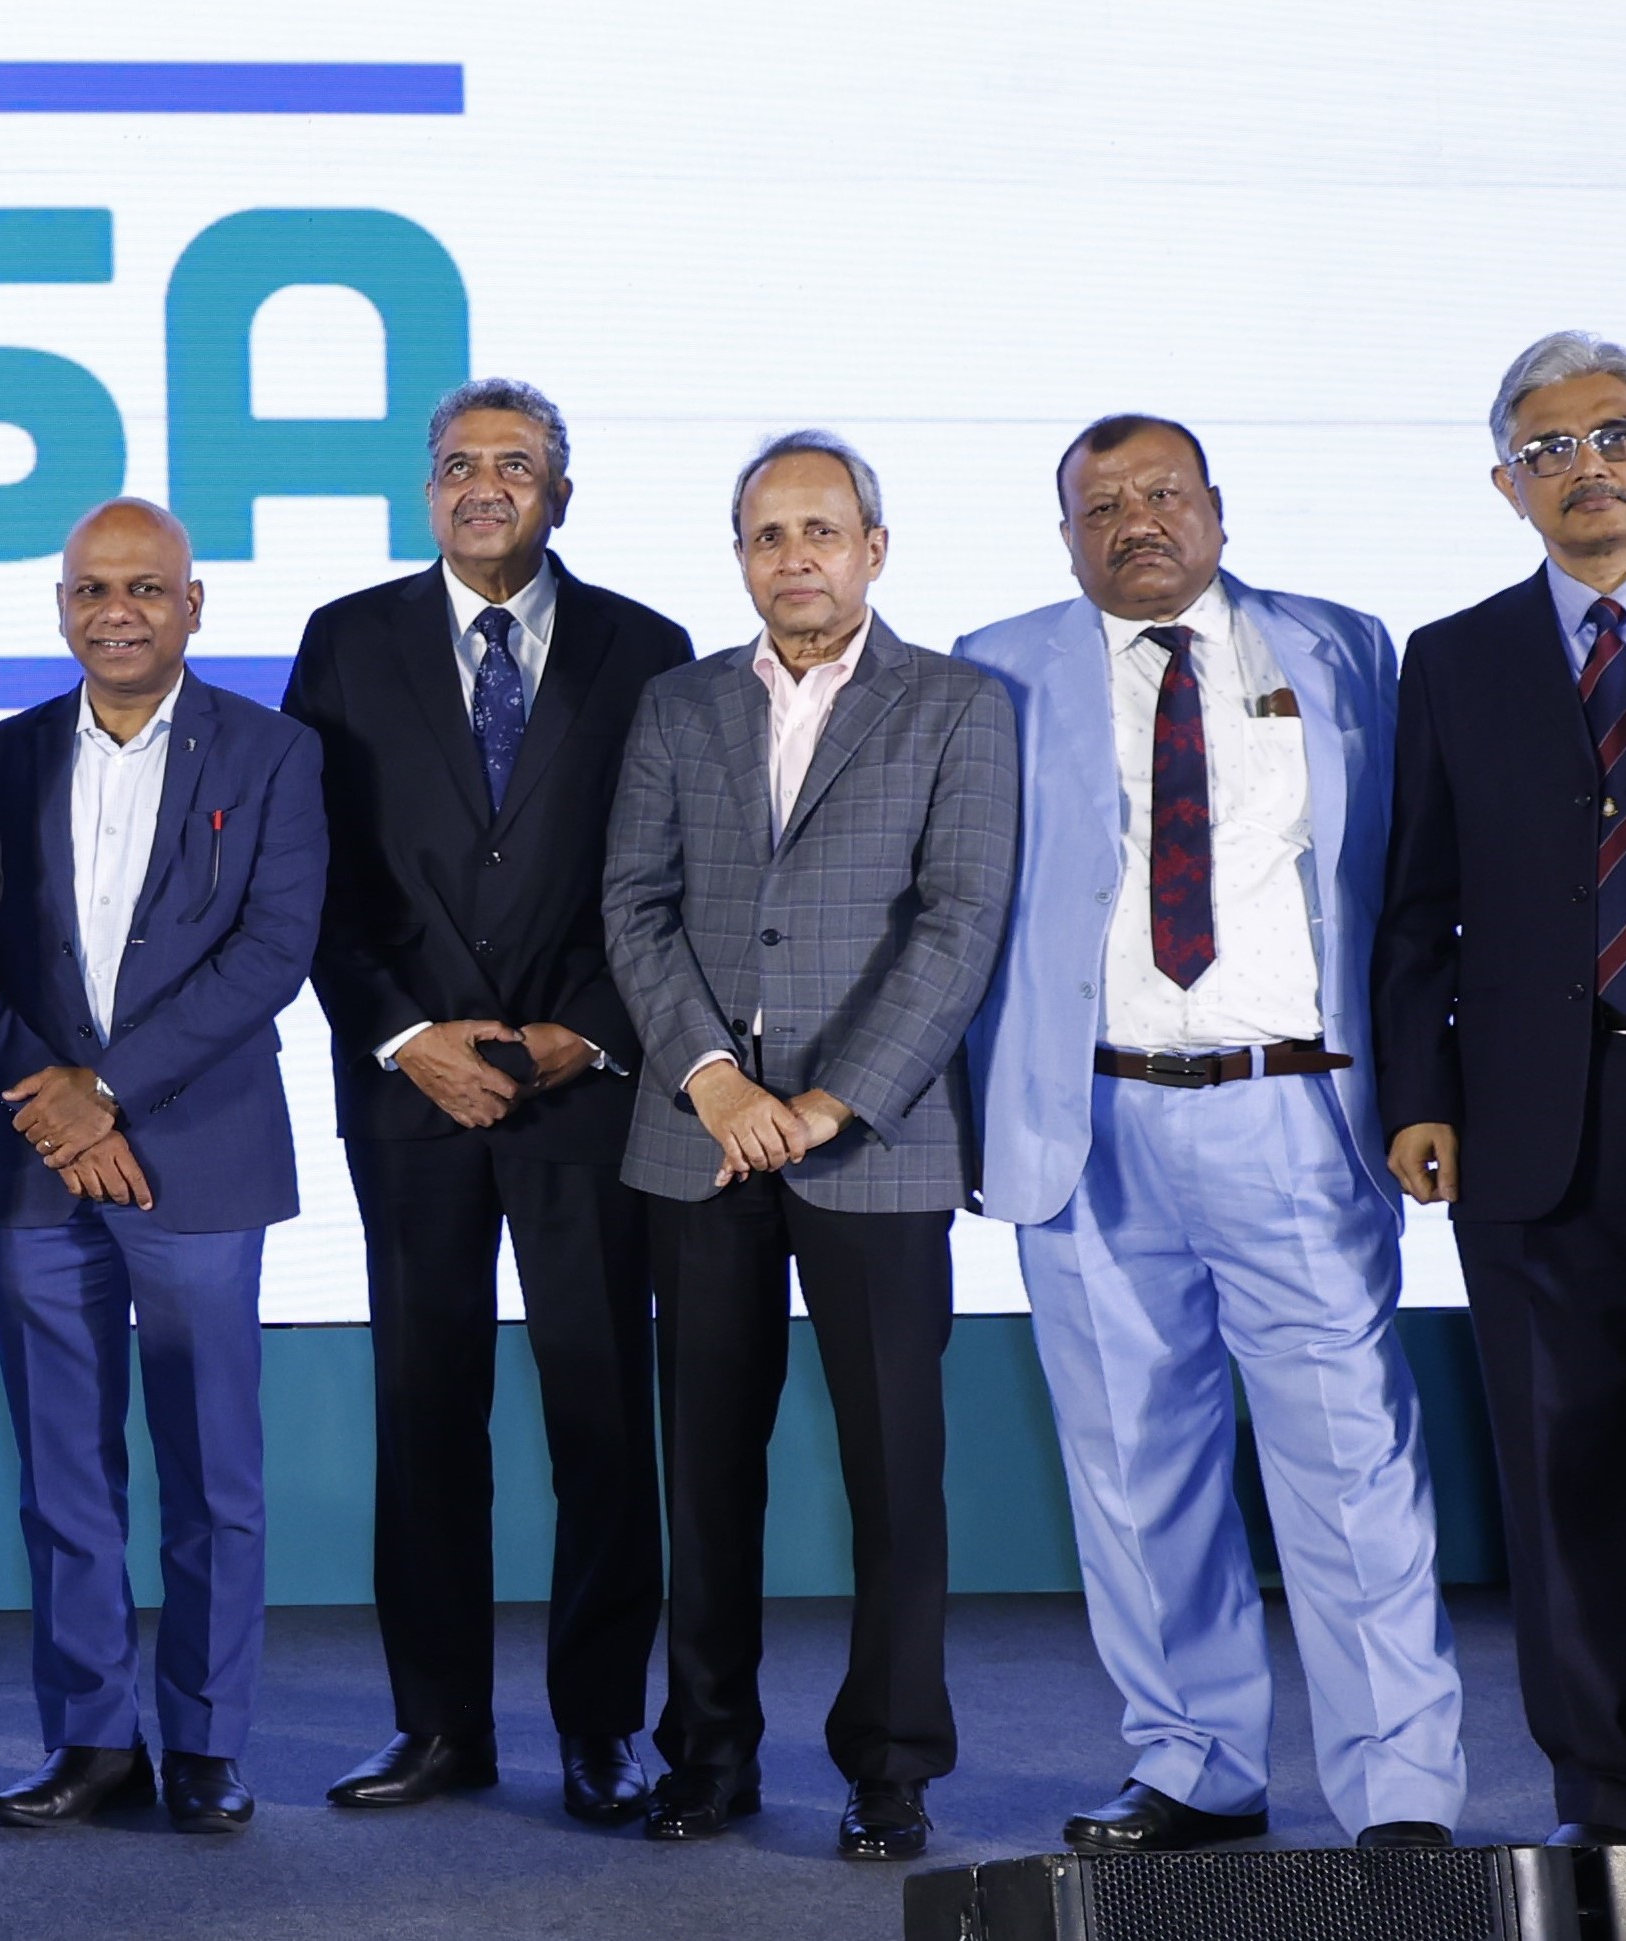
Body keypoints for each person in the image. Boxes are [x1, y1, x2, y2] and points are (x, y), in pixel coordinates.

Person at [960, 416, 1466, 1854]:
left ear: (1218, 509)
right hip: (1087, 1118)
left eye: (1163, 493)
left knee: (1350, 1459)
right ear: (1066, 535)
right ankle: (1193, 1764)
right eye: (1101, 504)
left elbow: (1409, 883)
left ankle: (1402, 1789)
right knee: (1135, 1469)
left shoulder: (1343, 647)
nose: (1136, 521)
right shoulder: (997, 665)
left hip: (1293, 1109)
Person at [597, 430, 1016, 1863]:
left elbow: (959, 924)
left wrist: (832, 1101)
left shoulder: (958, 705)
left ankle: (891, 1766)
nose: (795, 558)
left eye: (820, 531)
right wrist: (714, 1080)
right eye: (768, 535)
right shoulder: (678, 704)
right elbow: (634, 905)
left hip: (872, 1142)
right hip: (701, 1140)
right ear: (740, 557)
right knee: (707, 1468)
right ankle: (706, 1752)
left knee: (894, 1470)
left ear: (873, 549)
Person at [284, 378, 688, 1825]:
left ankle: (602, 1729)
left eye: (516, 464)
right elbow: (308, 872)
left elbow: (676, 873)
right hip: (413, 1096)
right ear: (427, 490)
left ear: (559, 494)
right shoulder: (346, 640)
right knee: (425, 1413)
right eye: (459, 463)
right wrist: (405, 1035)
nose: (484, 485)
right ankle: (439, 1725)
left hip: (586, 1090)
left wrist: (590, 1033)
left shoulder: (648, 649)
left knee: (601, 1417)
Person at [1379, 331, 1626, 1849]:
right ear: (1505, 482)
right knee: (1564, 1479)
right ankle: (1612, 1806)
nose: (1590, 465)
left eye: (1616, 433)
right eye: (1551, 447)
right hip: (1531, 1124)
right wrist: (1416, 1093)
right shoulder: (1454, 658)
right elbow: (1414, 902)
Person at [0, 499, 322, 1836]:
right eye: (92, 590)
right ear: (61, 607)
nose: (117, 611)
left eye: (146, 589)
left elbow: (272, 952)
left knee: (213, 1475)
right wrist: (54, 1103)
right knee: (64, 1477)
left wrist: (103, 1092)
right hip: (37, 1164)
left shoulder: (274, 753)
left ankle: (208, 1743)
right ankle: (93, 1739)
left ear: (193, 604)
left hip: (200, 1161)